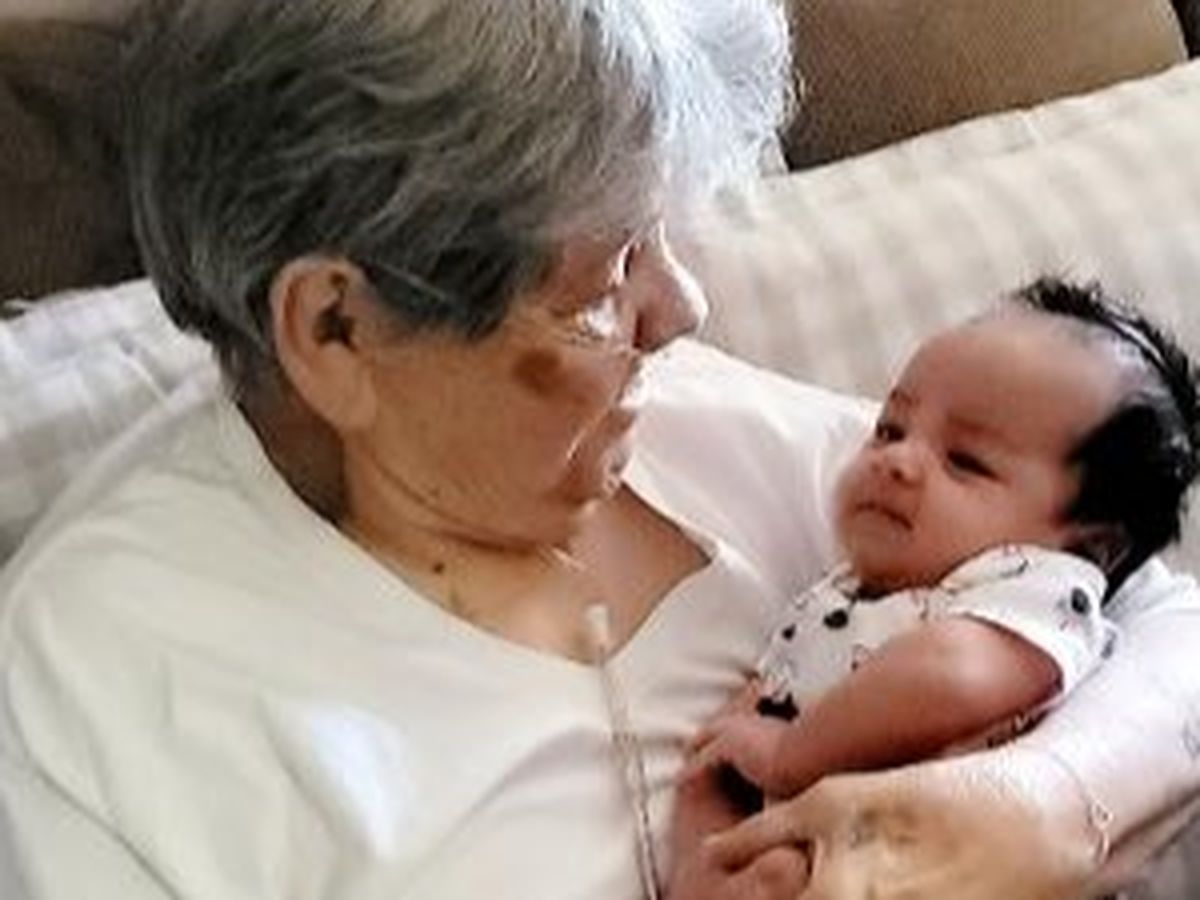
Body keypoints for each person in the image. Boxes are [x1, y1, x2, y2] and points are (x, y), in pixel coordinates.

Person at [0, 2, 1198, 899]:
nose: (681, 312)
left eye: (663, 238)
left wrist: (1048, 809)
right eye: (608, 275)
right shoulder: (103, 690)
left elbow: (1157, 615)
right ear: (336, 329)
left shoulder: (693, 425)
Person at [685, 278, 1200, 806]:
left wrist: (787, 755)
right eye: (891, 430)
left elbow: (952, 676)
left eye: (966, 461)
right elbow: (724, 748)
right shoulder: (842, 591)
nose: (896, 460)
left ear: (1089, 550)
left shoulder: (1035, 595)